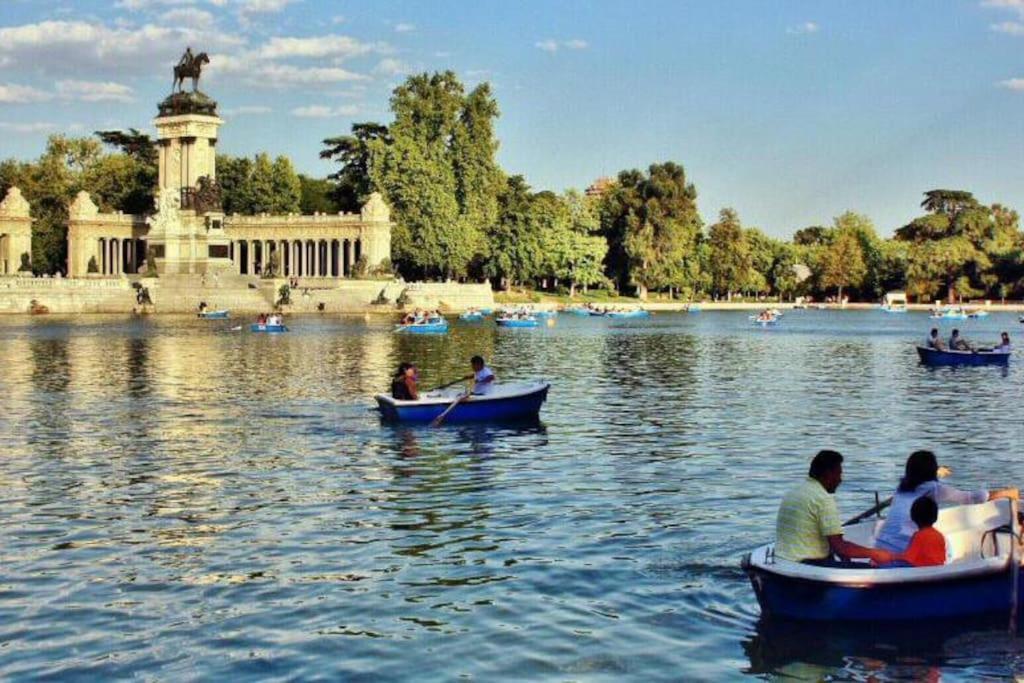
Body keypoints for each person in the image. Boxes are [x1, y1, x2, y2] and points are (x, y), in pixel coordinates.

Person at [875, 450, 1018, 552]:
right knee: (946, 547)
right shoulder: (935, 489)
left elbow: (920, 477)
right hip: (903, 551)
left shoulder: (902, 488)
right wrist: (1005, 493)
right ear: (931, 471)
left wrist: (937, 473)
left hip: (880, 548)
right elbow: (972, 498)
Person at [775, 450, 895, 566]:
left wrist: (847, 561)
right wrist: (875, 553)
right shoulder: (823, 498)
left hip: (785, 559)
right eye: (839, 474)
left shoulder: (795, 491)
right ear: (828, 474)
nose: (840, 479)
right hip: (809, 564)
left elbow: (835, 546)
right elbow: (840, 547)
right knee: (872, 571)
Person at [897, 497, 946, 567]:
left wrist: (892, 557)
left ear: (913, 517)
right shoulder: (939, 535)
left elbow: (908, 558)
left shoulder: (919, 536)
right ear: (935, 517)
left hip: (922, 573)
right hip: (938, 572)